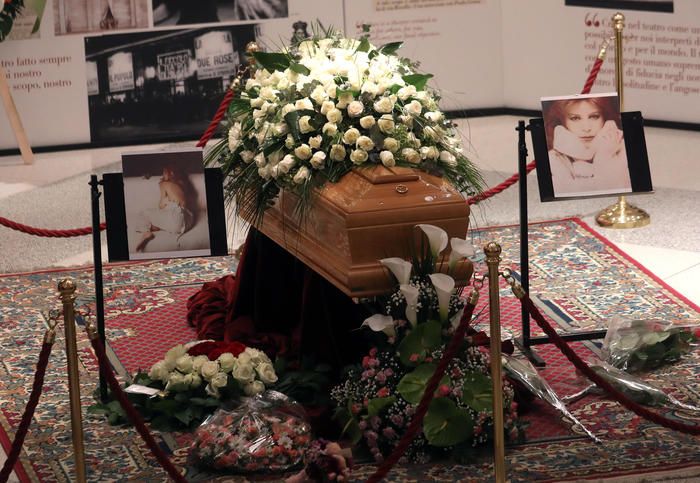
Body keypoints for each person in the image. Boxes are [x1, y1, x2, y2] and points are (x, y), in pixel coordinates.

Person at [543, 96, 632, 197]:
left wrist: (605, 156)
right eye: (575, 118)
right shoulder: (554, 158)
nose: (586, 128)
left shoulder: (625, 150)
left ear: (605, 118)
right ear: (562, 121)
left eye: (594, 117)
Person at [134, 166, 194, 252]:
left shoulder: (164, 184)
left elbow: (161, 205)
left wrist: (164, 204)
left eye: (164, 173)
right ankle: (160, 226)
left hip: (175, 218)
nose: (162, 175)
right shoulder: (182, 185)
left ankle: (146, 233)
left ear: (170, 173)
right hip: (188, 220)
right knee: (165, 216)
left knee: (144, 213)